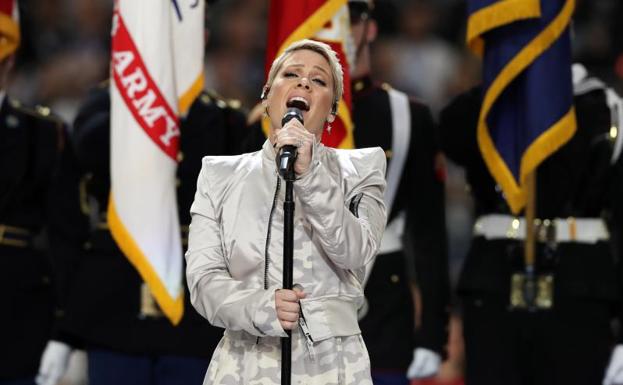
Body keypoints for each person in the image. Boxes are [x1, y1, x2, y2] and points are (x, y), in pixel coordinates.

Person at [185, 39, 387, 385]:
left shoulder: (362, 168)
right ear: (267, 96)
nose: (304, 83)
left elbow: (355, 253)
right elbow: (203, 281)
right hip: (245, 362)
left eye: (319, 80)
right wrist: (262, 307)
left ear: (332, 111)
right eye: (291, 74)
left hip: (334, 363)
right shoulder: (219, 175)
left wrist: (310, 176)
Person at [31, 76, 248, 385]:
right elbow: (68, 222)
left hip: (196, 312)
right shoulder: (100, 110)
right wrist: (68, 321)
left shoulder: (222, 118)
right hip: (113, 306)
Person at [439, 64, 623, 385]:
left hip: (578, 287)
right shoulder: (489, 103)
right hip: (496, 283)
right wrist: (503, 78)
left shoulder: (605, 107)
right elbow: (451, 135)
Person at [345, 1, 450, 384]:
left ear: (370, 28)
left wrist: (432, 334)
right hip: (295, 306)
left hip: (382, 311)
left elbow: (429, 232)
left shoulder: (407, 115)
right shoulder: (277, 115)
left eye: (351, 19)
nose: (339, 29)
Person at [0, 2, 84, 384]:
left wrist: (64, 330)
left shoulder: (44, 134)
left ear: (10, 61)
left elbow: (67, 235)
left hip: (18, 308)